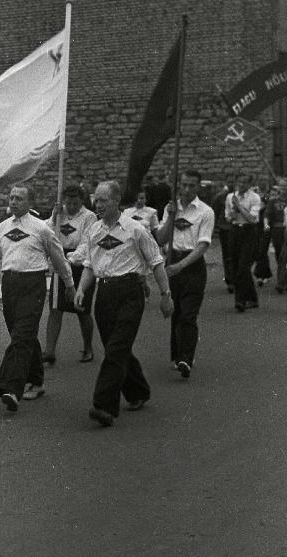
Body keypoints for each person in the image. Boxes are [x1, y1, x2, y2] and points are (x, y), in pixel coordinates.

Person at [74, 180, 173, 427]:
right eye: (96, 200)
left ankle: (104, 405)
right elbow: (88, 264)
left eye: (103, 200)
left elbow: (156, 262)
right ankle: (138, 390)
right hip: (104, 293)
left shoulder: (135, 229)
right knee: (115, 348)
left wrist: (166, 295)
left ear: (117, 201)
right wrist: (81, 289)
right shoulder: (94, 231)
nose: (98, 205)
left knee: (117, 347)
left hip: (130, 292)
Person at [0, 184, 74, 412]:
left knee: (21, 336)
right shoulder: (2, 228)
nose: (14, 202)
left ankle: (10, 389)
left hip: (33, 284)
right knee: (22, 335)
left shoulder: (41, 229)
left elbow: (58, 258)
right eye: (11, 197)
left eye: (19, 198)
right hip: (9, 285)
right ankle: (36, 381)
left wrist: (69, 285)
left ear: (31, 202)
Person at [156, 170, 214, 379]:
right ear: (179, 185)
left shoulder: (205, 212)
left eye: (192, 186)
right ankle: (177, 354)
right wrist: (171, 216)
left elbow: (203, 245)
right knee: (177, 311)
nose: (187, 190)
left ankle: (186, 359)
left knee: (189, 314)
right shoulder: (171, 208)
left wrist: (181, 266)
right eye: (184, 185)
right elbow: (161, 239)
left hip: (192, 264)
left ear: (198, 187)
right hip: (173, 259)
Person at [43, 184, 97, 364]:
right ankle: (49, 351)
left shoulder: (89, 217)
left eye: (75, 203)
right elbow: (46, 231)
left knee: (81, 309)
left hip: (80, 264)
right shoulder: (60, 214)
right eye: (68, 203)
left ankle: (88, 347)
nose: (71, 206)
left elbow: (86, 242)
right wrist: (53, 216)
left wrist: (71, 260)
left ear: (81, 201)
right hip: (60, 260)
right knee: (55, 308)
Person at [225, 173, 261, 312]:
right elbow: (228, 217)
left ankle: (240, 300)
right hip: (235, 231)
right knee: (235, 264)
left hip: (249, 232)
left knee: (243, 266)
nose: (241, 184)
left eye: (244, 182)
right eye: (239, 181)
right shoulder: (230, 197)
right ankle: (252, 298)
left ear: (250, 184)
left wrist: (239, 207)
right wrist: (233, 213)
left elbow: (252, 219)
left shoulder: (254, 198)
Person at [254, 185, 282, 287]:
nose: (273, 196)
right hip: (263, 229)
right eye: (271, 194)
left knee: (280, 253)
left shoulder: (278, 203)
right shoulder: (264, 202)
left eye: (275, 194)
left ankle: (282, 277)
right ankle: (262, 275)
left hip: (276, 229)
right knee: (261, 250)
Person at [211, 177, 235, 292]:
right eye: (229, 182)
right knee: (228, 255)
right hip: (225, 228)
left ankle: (239, 277)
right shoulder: (220, 197)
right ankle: (230, 280)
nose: (231, 184)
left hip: (238, 228)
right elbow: (213, 213)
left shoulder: (240, 196)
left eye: (233, 182)